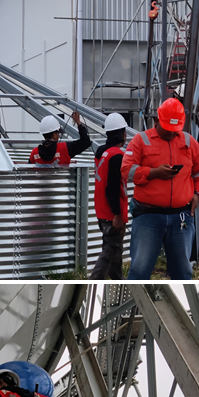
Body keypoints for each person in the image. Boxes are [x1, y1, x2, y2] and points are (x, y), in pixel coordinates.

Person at [121, 98, 199, 280]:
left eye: (175, 131)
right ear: (156, 121)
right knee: (140, 269)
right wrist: (153, 173)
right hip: (148, 216)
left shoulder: (189, 142)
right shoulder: (141, 141)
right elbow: (126, 171)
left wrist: (198, 194)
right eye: (168, 130)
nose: (171, 135)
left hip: (182, 216)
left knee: (183, 271)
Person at [89, 113, 128, 280]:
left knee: (114, 251)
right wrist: (117, 214)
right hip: (112, 213)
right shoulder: (117, 155)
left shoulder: (102, 153)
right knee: (109, 251)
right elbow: (112, 187)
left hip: (102, 210)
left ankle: (118, 280)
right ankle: (94, 281)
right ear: (123, 134)